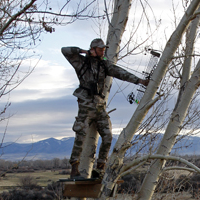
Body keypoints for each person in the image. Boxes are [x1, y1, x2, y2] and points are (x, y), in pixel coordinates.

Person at [62, 38, 149, 179]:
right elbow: (64, 50)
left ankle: (100, 169)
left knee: (108, 136)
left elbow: (119, 72)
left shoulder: (104, 65)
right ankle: (74, 168)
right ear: (93, 49)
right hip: (86, 105)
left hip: (99, 106)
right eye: (101, 49)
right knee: (80, 135)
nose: (103, 51)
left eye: (104, 49)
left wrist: (139, 81)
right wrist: (83, 51)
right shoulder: (81, 62)